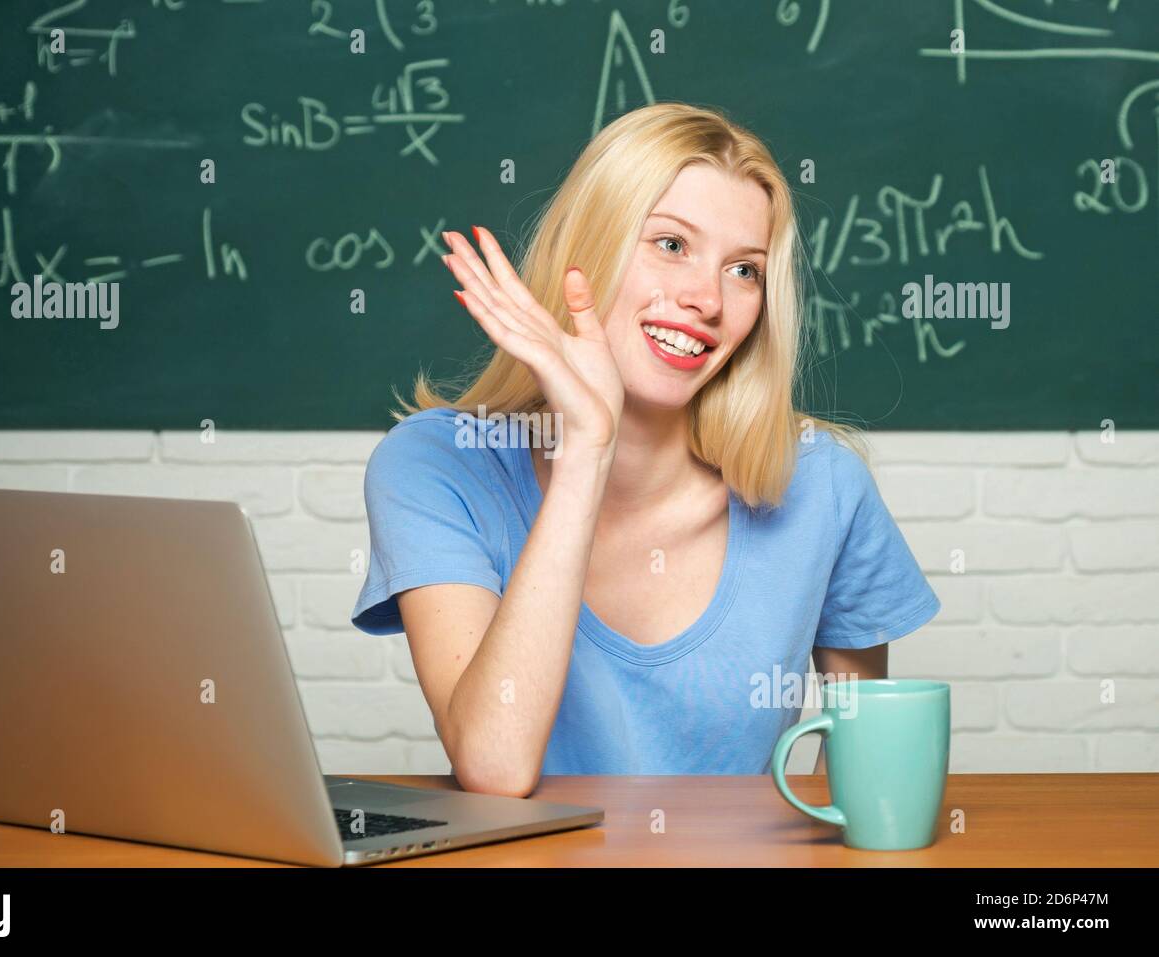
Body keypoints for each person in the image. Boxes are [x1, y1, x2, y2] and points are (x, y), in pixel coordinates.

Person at [350, 102, 940, 796]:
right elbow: (495, 765)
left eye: (744, 270)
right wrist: (585, 453)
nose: (707, 300)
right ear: (588, 248)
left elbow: (865, 782)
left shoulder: (822, 486)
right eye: (671, 244)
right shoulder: (435, 464)